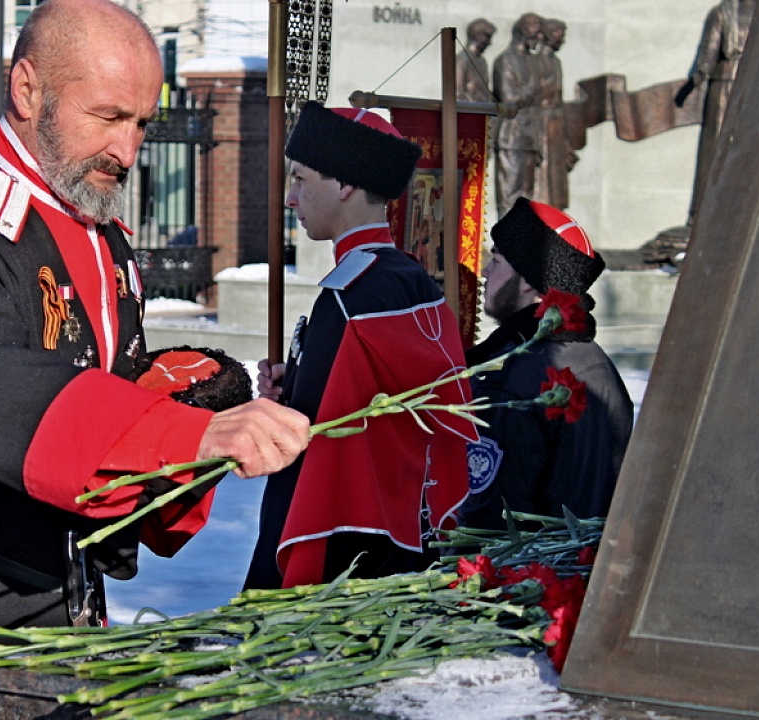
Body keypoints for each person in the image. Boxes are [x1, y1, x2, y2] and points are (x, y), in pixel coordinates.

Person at [0, 0, 310, 715]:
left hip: (56, 605)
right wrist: (185, 435)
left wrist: (216, 391)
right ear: (28, 89)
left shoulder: (101, 236)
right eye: (106, 117)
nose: (127, 151)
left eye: (141, 124)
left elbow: (104, 383)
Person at [243, 102, 478, 591]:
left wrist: (282, 412)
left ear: (344, 184)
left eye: (301, 179)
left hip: (341, 537)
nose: (291, 197)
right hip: (403, 523)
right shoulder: (414, 280)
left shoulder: (347, 294)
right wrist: (300, 383)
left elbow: (313, 441)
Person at [458, 198, 633, 530]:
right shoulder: (596, 361)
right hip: (583, 568)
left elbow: (493, 515)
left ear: (526, 280)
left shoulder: (510, 374)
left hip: (526, 572)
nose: (484, 271)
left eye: (496, 259)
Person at [676, 0, 755, 224]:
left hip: (754, 89)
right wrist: (700, 75)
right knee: (716, 149)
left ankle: (742, 208)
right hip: (724, 87)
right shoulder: (723, 12)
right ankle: (702, 212)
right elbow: (708, 52)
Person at [493, 13, 546, 216]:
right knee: (510, 193)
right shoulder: (505, 60)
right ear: (522, 32)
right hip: (512, 136)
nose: (539, 39)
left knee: (527, 195)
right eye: (535, 34)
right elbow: (509, 98)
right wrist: (531, 91)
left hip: (530, 136)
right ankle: (505, 244)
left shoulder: (534, 62)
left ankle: (522, 243)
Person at [533, 18, 577, 210]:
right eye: (559, 36)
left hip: (556, 127)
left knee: (556, 186)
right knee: (542, 181)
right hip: (541, 125)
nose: (563, 41)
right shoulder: (536, 62)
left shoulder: (556, 62)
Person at [456, 18, 496, 103]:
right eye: (487, 37)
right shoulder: (462, 59)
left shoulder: (482, 61)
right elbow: (458, 93)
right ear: (477, 35)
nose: (489, 43)